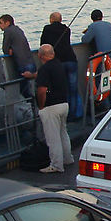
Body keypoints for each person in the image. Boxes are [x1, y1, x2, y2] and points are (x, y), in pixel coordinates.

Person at [23, 45, 74, 173]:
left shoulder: (45, 69)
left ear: (40, 56)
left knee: (53, 138)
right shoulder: (58, 65)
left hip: (51, 107)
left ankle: (57, 165)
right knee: (63, 133)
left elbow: (42, 90)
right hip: (63, 104)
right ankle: (68, 158)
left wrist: (41, 106)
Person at [40, 11, 82, 120]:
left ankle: (64, 115)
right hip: (71, 60)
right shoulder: (67, 29)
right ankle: (74, 114)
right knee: (73, 89)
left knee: (61, 89)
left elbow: (43, 44)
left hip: (58, 63)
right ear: (61, 19)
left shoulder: (47, 29)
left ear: (51, 20)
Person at [0, 14, 35, 99]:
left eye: (1, 23)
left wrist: (9, 50)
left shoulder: (8, 31)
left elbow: (5, 49)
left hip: (22, 64)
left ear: (7, 23)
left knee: (24, 92)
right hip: (30, 61)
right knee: (31, 88)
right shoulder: (18, 29)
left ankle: (29, 108)